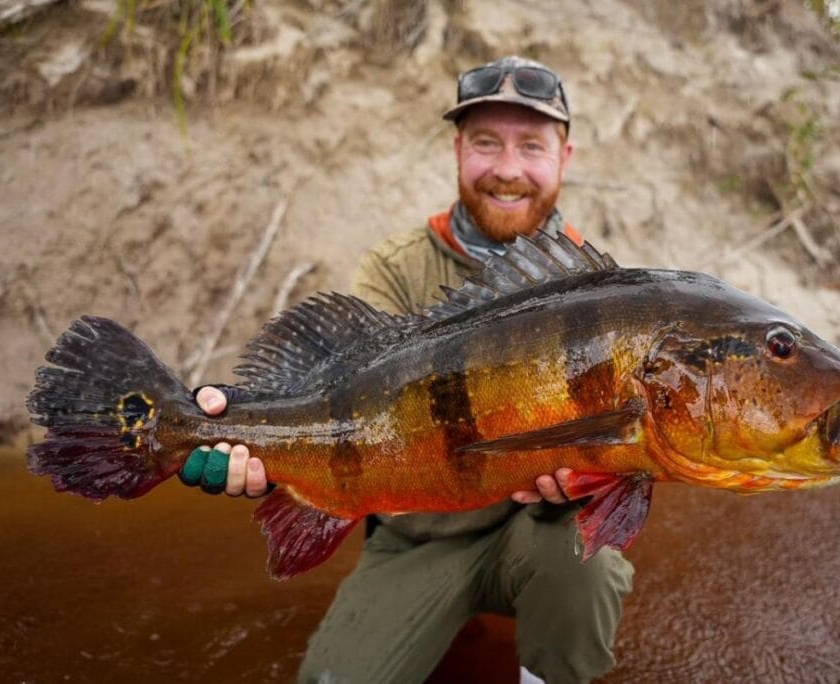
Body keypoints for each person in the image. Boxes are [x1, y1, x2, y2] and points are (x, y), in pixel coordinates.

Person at [182, 56, 634, 684]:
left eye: (531, 145)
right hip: (414, 536)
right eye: (485, 143)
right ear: (457, 151)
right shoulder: (395, 269)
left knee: (589, 561)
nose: (507, 168)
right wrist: (247, 439)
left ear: (566, 156)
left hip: (534, 531)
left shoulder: (605, 298)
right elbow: (334, 406)